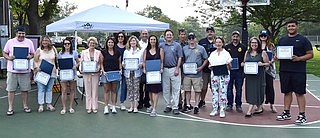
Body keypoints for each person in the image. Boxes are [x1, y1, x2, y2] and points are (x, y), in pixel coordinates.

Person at [276, 20, 313, 125]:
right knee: (287, 92)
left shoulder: (303, 40)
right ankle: (286, 113)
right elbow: (278, 54)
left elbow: (310, 54)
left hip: (298, 71)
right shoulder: (282, 40)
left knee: (299, 93)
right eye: (289, 26)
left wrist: (299, 58)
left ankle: (302, 115)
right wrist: (276, 56)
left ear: (297, 27)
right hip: (284, 70)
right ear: (286, 28)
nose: (291, 28)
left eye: (293, 26)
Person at [3, 26, 34, 115]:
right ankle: (10, 108)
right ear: (16, 33)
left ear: (25, 34)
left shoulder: (29, 42)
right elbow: (5, 53)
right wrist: (9, 58)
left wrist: (29, 56)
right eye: (19, 33)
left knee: (25, 90)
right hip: (12, 71)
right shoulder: (10, 42)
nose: (21, 35)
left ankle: (25, 106)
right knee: (11, 90)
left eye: (23, 33)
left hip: (25, 71)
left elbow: (32, 53)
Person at [241, 37, 270, 117]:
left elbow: (268, 63)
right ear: (250, 44)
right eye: (252, 43)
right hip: (249, 77)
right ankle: (259, 107)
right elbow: (244, 62)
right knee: (251, 92)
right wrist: (242, 64)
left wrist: (262, 64)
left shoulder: (263, 53)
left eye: (256, 43)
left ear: (258, 44)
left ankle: (249, 110)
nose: (254, 44)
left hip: (259, 76)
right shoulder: (247, 52)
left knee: (257, 91)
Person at [182, 33, 208, 114]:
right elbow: (182, 59)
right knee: (187, 90)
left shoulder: (201, 48)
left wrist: (201, 67)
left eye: (193, 38)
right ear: (187, 40)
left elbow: (206, 59)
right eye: (189, 38)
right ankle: (188, 105)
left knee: (198, 90)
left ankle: (196, 105)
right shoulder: (184, 48)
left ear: (196, 39)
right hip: (187, 74)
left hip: (197, 74)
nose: (191, 40)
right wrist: (183, 67)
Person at [208, 37, 232, 118]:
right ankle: (215, 109)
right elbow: (210, 66)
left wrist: (228, 64)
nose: (218, 44)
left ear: (222, 43)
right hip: (215, 74)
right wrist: (210, 66)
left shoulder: (226, 53)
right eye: (216, 42)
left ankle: (222, 109)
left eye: (220, 42)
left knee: (223, 92)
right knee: (215, 92)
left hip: (224, 75)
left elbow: (230, 66)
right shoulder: (212, 54)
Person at [160, 29, 183, 115]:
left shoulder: (177, 45)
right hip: (165, 69)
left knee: (176, 88)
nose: (169, 36)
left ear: (172, 36)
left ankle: (175, 106)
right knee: (166, 89)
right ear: (165, 36)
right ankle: (168, 105)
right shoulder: (161, 46)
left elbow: (180, 57)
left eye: (170, 35)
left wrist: (177, 68)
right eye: (167, 35)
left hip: (174, 68)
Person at [34, 35, 58, 112]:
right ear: (41, 42)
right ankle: (41, 105)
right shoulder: (38, 50)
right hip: (42, 73)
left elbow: (56, 60)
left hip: (52, 72)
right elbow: (35, 61)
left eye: (46, 40)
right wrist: (37, 68)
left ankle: (49, 104)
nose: (45, 42)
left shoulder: (53, 49)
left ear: (49, 41)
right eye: (43, 40)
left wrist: (56, 70)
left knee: (49, 89)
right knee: (41, 89)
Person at [224, 31, 247, 113]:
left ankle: (238, 105)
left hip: (239, 71)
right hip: (229, 71)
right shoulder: (227, 47)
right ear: (231, 37)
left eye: (237, 36)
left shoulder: (243, 47)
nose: (235, 38)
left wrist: (243, 63)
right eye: (234, 36)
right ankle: (229, 104)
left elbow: (245, 58)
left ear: (239, 38)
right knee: (229, 88)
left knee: (239, 89)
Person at [79, 37, 103, 114]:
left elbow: (100, 63)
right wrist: (81, 69)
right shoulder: (83, 52)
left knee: (95, 91)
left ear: (95, 44)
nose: (92, 44)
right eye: (90, 43)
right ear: (88, 44)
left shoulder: (98, 52)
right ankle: (89, 107)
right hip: (86, 74)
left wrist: (98, 68)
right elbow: (81, 62)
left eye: (93, 43)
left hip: (95, 74)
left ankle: (95, 107)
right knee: (88, 91)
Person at [143, 35, 164, 117]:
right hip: (149, 74)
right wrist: (144, 69)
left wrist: (161, 68)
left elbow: (162, 61)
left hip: (157, 74)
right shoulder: (146, 50)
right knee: (150, 91)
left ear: (156, 40)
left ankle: (154, 109)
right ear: (149, 40)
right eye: (151, 39)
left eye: (154, 39)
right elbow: (144, 61)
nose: (152, 41)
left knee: (155, 91)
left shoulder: (160, 50)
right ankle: (152, 105)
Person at [58, 38, 80, 114]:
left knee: (72, 90)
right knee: (63, 91)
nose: (67, 45)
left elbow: (78, 62)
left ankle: (71, 107)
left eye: (68, 44)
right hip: (64, 74)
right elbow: (58, 63)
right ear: (63, 45)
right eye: (65, 44)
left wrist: (75, 66)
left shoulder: (74, 53)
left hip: (72, 74)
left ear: (71, 45)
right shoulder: (60, 53)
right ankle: (64, 108)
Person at [123, 35, 144, 113]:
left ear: (136, 42)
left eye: (134, 41)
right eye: (131, 41)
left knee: (136, 89)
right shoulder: (126, 51)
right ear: (129, 42)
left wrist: (140, 65)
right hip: (128, 73)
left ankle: (135, 106)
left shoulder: (140, 51)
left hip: (137, 73)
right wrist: (123, 64)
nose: (133, 42)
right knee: (130, 89)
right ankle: (131, 106)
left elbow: (142, 62)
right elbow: (123, 61)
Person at [101, 37, 122, 114]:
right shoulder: (103, 52)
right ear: (107, 43)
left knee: (114, 91)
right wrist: (103, 71)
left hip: (115, 74)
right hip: (106, 74)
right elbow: (101, 63)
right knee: (106, 91)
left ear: (114, 43)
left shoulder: (118, 52)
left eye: (112, 42)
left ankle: (113, 106)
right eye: (109, 42)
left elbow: (119, 62)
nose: (110, 44)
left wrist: (120, 70)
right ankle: (106, 107)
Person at [258, 30, 277, 113]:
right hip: (259, 69)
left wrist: (270, 62)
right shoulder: (257, 45)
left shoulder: (271, 46)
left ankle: (272, 104)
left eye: (264, 36)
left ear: (267, 36)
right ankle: (260, 105)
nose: (263, 37)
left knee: (270, 87)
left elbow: (275, 56)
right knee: (260, 87)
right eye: (261, 36)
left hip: (269, 70)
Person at [198, 27, 216, 108]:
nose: (210, 33)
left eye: (211, 31)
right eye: (208, 32)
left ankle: (216, 101)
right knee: (204, 86)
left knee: (215, 87)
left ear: (214, 33)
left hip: (215, 69)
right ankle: (202, 100)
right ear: (206, 33)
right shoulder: (201, 42)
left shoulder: (218, 41)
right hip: (205, 68)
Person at [138, 29, 151, 109]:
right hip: (139, 66)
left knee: (147, 85)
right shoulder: (138, 43)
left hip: (148, 66)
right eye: (143, 34)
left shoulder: (150, 43)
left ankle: (147, 101)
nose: (145, 35)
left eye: (146, 34)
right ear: (141, 34)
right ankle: (140, 102)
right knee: (140, 86)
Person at [115, 32, 128, 111]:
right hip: (116, 69)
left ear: (124, 38)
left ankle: (122, 102)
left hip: (126, 69)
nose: (120, 38)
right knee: (115, 87)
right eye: (119, 36)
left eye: (122, 36)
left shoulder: (127, 47)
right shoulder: (114, 47)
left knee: (124, 86)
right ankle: (114, 102)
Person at [177, 28, 188, 110]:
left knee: (186, 86)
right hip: (178, 68)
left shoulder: (188, 44)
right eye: (181, 34)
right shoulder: (176, 44)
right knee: (177, 86)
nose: (183, 36)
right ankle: (179, 102)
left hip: (187, 68)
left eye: (184, 34)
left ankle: (186, 103)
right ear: (179, 35)